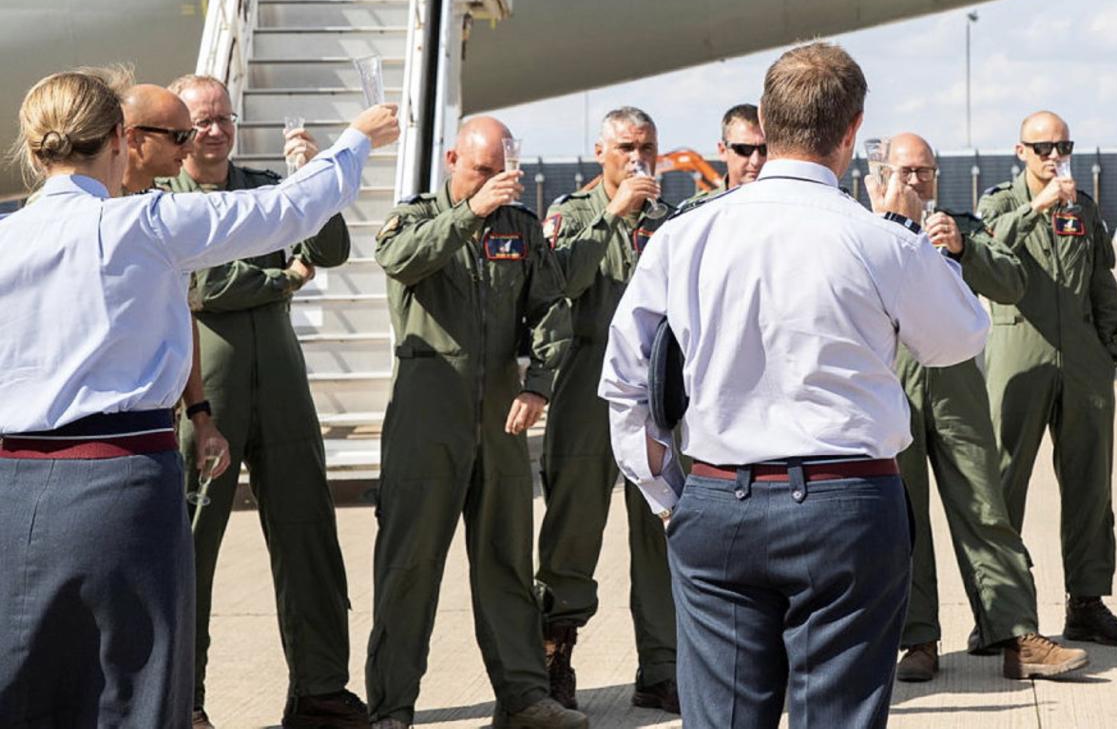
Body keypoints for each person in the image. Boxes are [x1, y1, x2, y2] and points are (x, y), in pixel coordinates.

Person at [600, 43, 991, 729]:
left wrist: (667, 496)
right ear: (850, 130)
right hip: (849, 503)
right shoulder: (879, 240)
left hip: (720, 497)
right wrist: (905, 230)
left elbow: (626, 380)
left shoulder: (683, 237)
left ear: (768, 123)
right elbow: (961, 335)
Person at [0, 65, 393, 729]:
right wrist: (354, 139)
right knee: (139, 690)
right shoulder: (142, 223)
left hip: (11, 483)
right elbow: (287, 210)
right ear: (120, 143)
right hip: (117, 480)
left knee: (26, 688)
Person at [164, 74, 367, 729]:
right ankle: (183, 698)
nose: (216, 130)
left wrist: (310, 184)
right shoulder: (163, 196)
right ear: (180, 129)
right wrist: (281, 278)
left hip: (281, 384)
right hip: (204, 392)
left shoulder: (263, 188)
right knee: (192, 545)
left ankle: (319, 688)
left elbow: (330, 251)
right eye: (203, 120)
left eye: (225, 117)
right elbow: (201, 285)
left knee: (309, 532)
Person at [367, 117, 584, 729]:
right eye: (480, 170)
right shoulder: (412, 217)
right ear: (451, 159)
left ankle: (523, 698)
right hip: (426, 413)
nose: (493, 184)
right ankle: (392, 706)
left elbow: (550, 309)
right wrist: (467, 214)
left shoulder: (520, 228)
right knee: (409, 563)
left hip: (499, 416)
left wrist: (538, 384)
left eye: (500, 172)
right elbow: (399, 260)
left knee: (506, 562)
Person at [884, 133, 1089, 684]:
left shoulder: (959, 227)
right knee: (902, 520)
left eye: (924, 172)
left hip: (956, 387)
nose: (915, 182)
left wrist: (964, 249)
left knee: (985, 509)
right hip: (889, 389)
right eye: (904, 172)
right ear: (880, 174)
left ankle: (1016, 633)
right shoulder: (862, 232)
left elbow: (1013, 281)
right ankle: (917, 640)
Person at [977, 112, 1117, 649]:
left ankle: (1087, 603)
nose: (1053, 155)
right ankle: (998, 615)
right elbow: (982, 254)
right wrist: (1035, 208)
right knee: (1002, 487)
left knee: (1091, 485)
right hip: (1018, 357)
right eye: (1042, 146)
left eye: (1062, 145)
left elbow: (1101, 280)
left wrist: (1105, 348)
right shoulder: (1001, 203)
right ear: (1020, 150)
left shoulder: (1083, 207)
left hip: (1082, 363)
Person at [535, 107, 678, 712]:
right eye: (625, 146)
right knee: (573, 527)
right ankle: (555, 656)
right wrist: (614, 215)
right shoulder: (572, 216)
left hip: (654, 390)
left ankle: (663, 665)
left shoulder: (670, 221)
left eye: (646, 146)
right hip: (587, 382)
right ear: (601, 151)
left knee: (661, 526)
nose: (637, 157)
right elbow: (556, 284)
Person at [121, 83, 230, 484]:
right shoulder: (88, 214)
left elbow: (179, 315)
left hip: (155, 427)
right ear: (133, 138)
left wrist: (200, 415)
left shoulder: (161, 211)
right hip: (101, 433)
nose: (191, 145)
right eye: (180, 136)